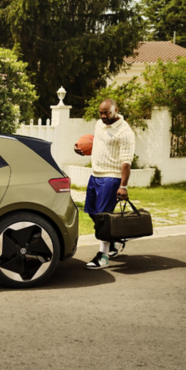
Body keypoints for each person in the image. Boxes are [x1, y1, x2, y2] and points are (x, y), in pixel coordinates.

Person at [74, 98, 135, 269]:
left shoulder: (125, 133)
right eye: (101, 113)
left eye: (107, 113)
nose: (103, 116)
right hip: (95, 174)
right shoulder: (99, 124)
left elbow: (126, 162)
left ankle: (103, 256)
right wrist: (83, 150)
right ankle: (115, 238)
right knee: (92, 212)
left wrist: (123, 186)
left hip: (111, 177)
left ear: (116, 110)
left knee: (103, 216)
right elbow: (98, 144)